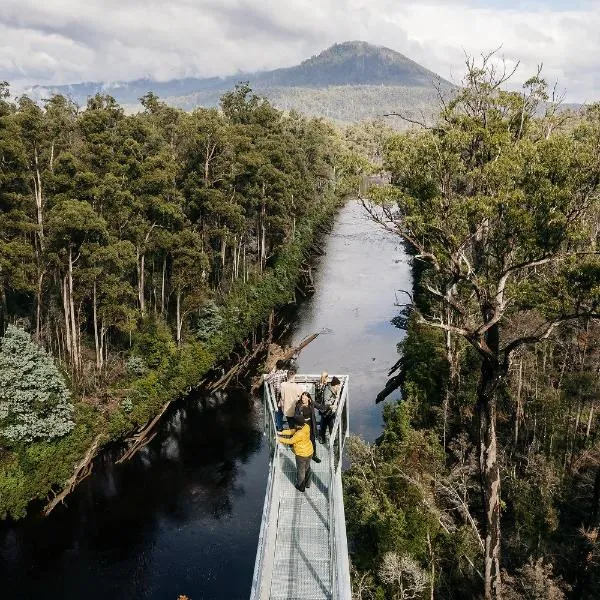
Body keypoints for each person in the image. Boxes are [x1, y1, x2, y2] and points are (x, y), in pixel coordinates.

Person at [277, 420, 313, 492]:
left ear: (298, 425)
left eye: (296, 424)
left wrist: (279, 439)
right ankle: (307, 484)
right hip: (309, 451)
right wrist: (282, 433)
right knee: (307, 468)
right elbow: (293, 431)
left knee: (301, 471)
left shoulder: (299, 434)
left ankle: (301, 487)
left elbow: (290, 441)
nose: (295, 426)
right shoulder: (306, 426)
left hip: (302, 454)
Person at [294, 391, 321, 463]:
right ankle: (304, 455)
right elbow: (296, 416)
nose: (303, 399)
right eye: (302, 398)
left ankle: (314, 455)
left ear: (309, 398)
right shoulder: (298, 405)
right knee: (303, 441)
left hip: (311, 425)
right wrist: (303, 419)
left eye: (305, 398)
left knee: (312, 440)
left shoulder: (311, 403)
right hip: (303, 427)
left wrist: (329, 406)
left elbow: (320, 406)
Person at [315, 376, 341, 444]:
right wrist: (332, 406)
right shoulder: (328, 391)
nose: (339, 387)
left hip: (329, 412)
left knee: (331, 425)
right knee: (323, 426)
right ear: (334, 385)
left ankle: (333, 440)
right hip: (325, 411)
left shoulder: (334, 390)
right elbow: (326, 401)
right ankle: (322, 439)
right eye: (338, 385)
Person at [264, 359, 287, 431]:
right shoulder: (285, 373)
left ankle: (279, 427)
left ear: (276, 366)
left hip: (277, 396)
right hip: (284, 396)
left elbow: (266, 379)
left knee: (277, 411)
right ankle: (282, 425)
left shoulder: (275, 375)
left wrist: (273, 370)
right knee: (282, 411)